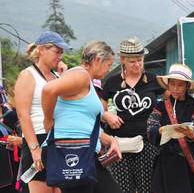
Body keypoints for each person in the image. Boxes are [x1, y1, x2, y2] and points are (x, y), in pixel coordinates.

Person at [41, 40, 123, 193]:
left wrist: (110, 140)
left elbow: (83, 123)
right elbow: (48, 90)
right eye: (108, 65)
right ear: (98, 60)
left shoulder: (87, 81)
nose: (108, 70)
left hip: (84, 150)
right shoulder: (80, 76)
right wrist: (48, 120)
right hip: (71, 150)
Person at [101, 37, 164, 193]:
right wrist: (107, 116)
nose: (137, 64)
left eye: (140, 60)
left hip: (148, 142)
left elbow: (169, 104)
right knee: (120, 188)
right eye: (132, 61)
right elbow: (100, 110)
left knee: (147, 188)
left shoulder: (154, 80)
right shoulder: (111, 82)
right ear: (122, 60)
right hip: (118, 143)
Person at [14, 31, 71, 193]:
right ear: (41, 50)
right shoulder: (28, 75)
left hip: (59, 140)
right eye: (57, 51)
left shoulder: (58, 77)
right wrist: (34, 149)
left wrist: (64, 75)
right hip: (37, 138)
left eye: (62, 52)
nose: (60, 56)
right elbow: (22, 115)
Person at [147, 63, 194, 193]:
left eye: (180, 85)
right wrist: (159, 130)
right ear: (167, 84)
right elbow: (150, 127)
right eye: (172, 84)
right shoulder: (160, 106)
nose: (175, 88)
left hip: (184, 164)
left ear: (187, 86)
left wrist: (191, 135)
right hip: (163, 163)